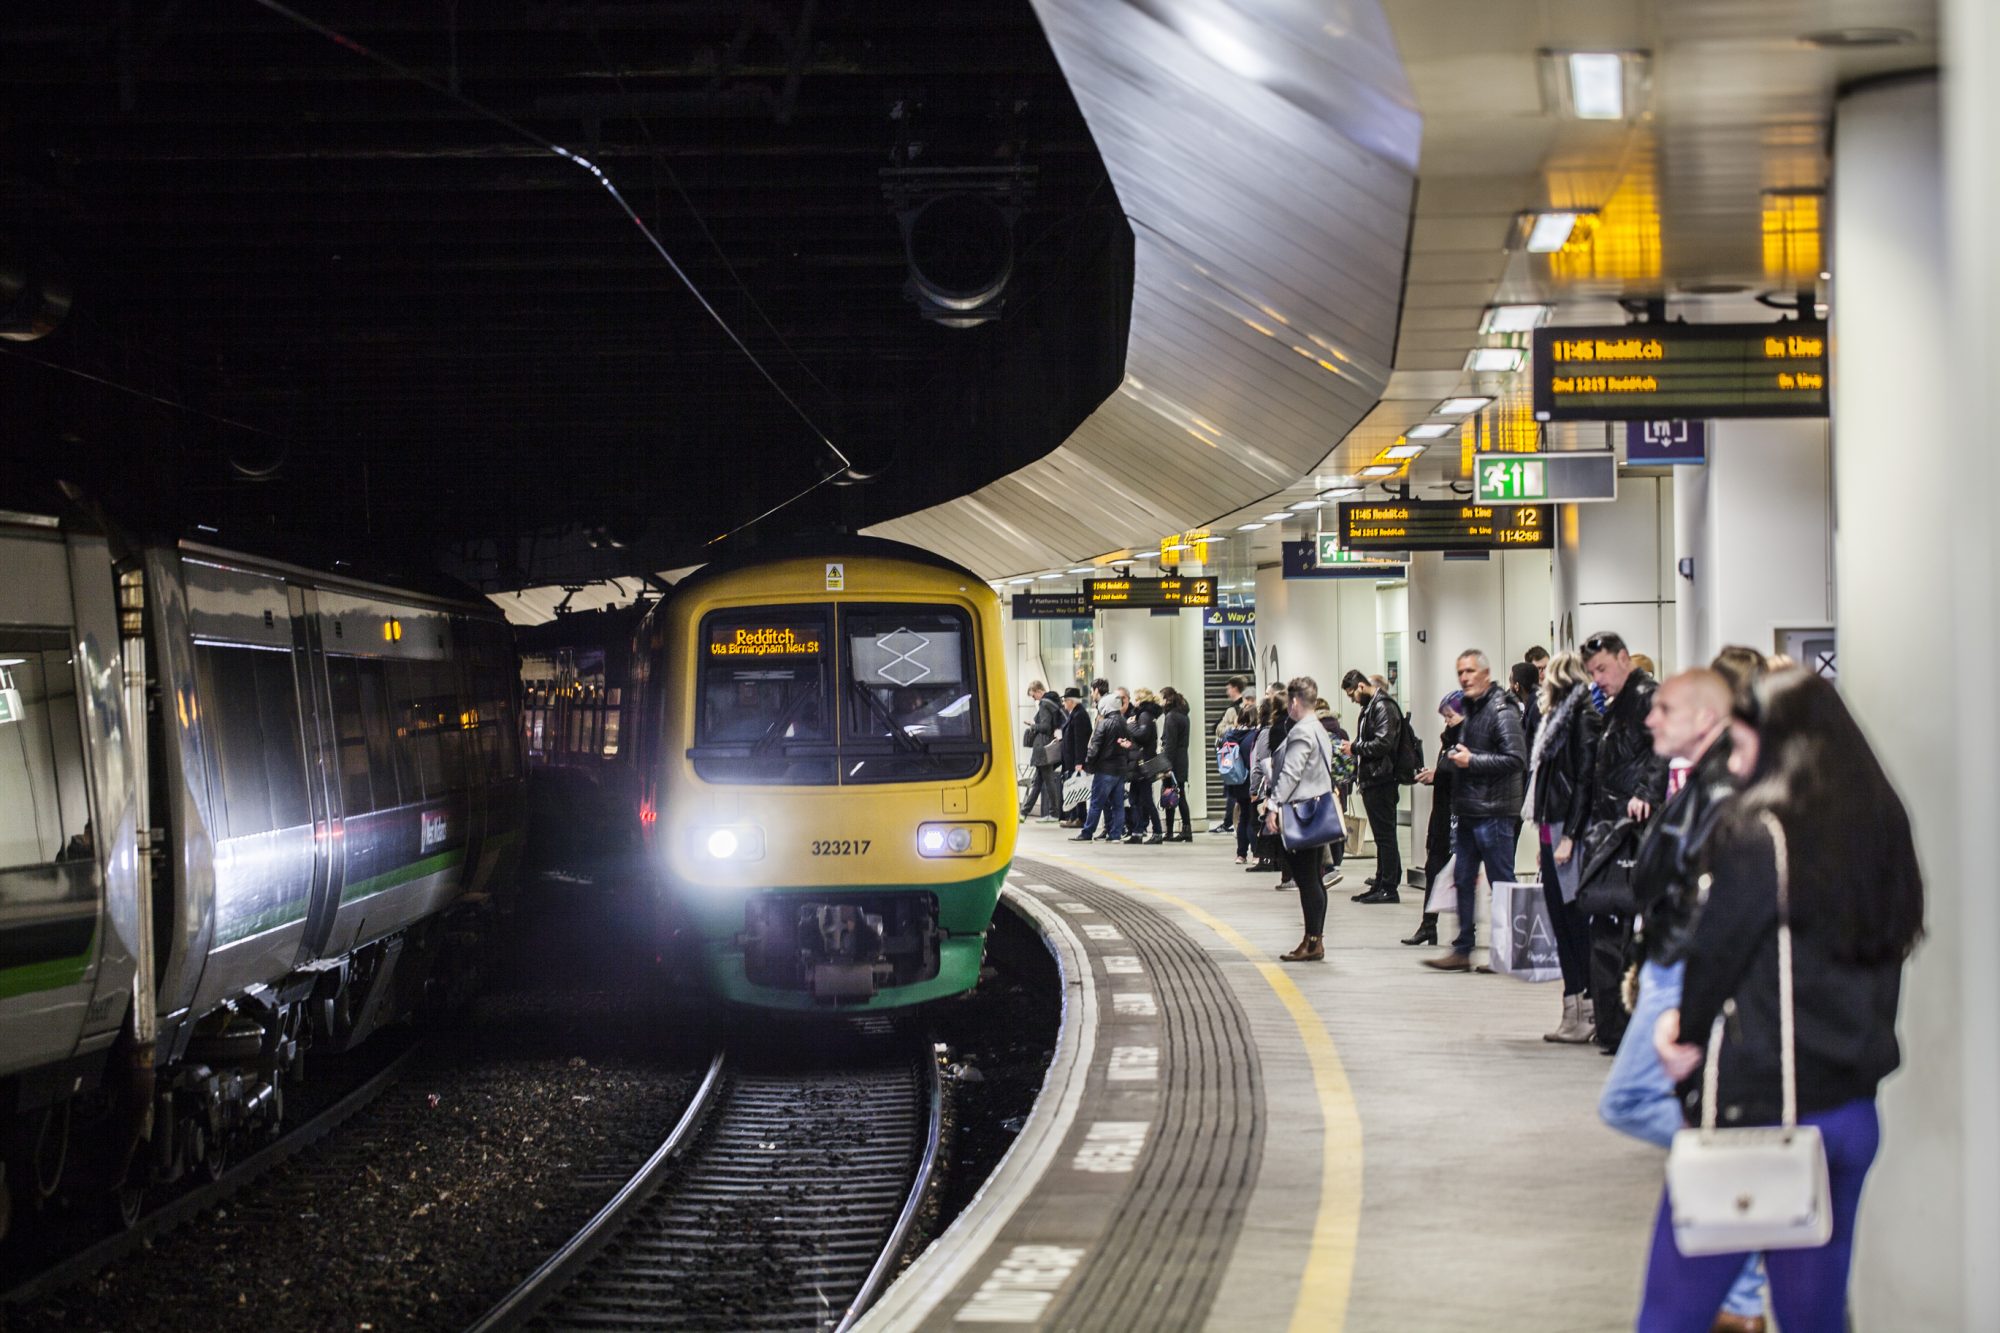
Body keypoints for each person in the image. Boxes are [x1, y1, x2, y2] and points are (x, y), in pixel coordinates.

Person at [1639, 670, 1923, 1333]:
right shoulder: (1882, 829)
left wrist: (1682, 1033)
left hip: (1762, 1116)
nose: (1734, 765)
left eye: (1740, 747)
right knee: (1814, 1317)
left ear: (1779, 744)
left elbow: (1715, 955)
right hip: (1851, 1110)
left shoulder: (1759, 835)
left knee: (1670, 1313)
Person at [1598, 665, 1768, 1331]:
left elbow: (1713, 895)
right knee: (1682, 1114)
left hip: (1687, 971)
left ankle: (1748, 1211)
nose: (1649, 718)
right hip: (1672, 963)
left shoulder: (1723, 789)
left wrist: (1682, 978)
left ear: (1704, 718)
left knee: (1633, 1099)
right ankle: (1747, 1288)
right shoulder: (1701, 782)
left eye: (1664, 708)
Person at [1579, 630, 1669, 1051]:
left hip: (1631, 831)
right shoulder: (1618, 703)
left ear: (1623, 658)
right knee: (1606, 924)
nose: (1597, 678)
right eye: (1591, 672)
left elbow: (1662, 748)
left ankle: (1621, 1024)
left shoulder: (1646, 696)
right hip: (1612, 827)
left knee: (1618, 924)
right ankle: (1613, 1023)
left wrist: (1647, 794)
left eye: (1602, 669)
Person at [1424, 649, 1527, 972]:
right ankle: (1463, 948)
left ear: (1486, 673)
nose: (1465, 678)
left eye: (1470, 671)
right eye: (1460, 673)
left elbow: (1515, 759)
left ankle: (1505, 952)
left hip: (1495, 813)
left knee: (1502, 885)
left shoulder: (1501, 710)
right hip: (1470, 810)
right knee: (1464, 879)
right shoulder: (1472, 709)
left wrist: (1473, 761)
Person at [1527, 650, 1601, 1042]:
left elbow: (1584, 780)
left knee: (1573, 924)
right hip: (1551, 830)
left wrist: (1570, 835)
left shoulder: (1581, 719)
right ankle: (1572, 1009)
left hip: (1567, 833)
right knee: (1560, 921)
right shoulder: (1555, 720)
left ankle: (1585, 1010)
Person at [1264, 676, 1338, 962]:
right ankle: (1313, 939)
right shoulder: (1318, 728)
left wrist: (1273, 806)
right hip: (1316, 809)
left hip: (1301, 812)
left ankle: (1313, 941)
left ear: (1294, 702)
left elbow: (1291, 774)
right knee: (1314, 880)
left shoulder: (1301, 732)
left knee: (1307, 879)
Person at [1340, 668, 1407, 904]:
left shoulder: (1382, 706)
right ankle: (1381, 883)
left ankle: (1389, 886)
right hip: (1374, 779)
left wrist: (1355, 748)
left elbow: (1383, 742)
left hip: (1382, 779)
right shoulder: (1372, 707)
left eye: (1352, 694)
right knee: (1382, 835)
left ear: (1360, 686)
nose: (1351, 699)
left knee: (1385, 835)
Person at [1403, 691, 1463, 947]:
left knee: (1460, 874)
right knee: (1433, 868)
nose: (1446, 721)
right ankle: (1428, 926)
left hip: (1458, 815)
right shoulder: (1449, 739)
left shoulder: (1471, 737)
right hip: (1442, 814)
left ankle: (1465, 931)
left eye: (1450, 716)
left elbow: (1463, 769)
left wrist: (1438, 773)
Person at [1075, 696, 1131, 841]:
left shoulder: (1104, 723)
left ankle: (1087, 832)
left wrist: (1088, 763)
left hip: (1105, 769)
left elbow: (1095, 747)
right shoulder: (1124, 722)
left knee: (1096, 803)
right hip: (1120, 769)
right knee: (1118, 804)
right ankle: (1115, 834)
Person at [1211, 675, 1254, 832]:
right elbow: (1219, 729)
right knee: (1239, 798)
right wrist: (1233, 727)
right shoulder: (1233, 711)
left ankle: (1232, 824)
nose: (1249, 702)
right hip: (1236, 759)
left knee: (1244, 805)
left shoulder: (1254, 713)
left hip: (1246, 761)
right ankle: (1231, 823)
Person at [1123, 689, 1165, 845]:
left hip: (1143, 763)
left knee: (1146, 799)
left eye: (1135, 698)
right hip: (1139, 763)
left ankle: (1157, 832)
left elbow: (1142, 735)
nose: (1134, 701)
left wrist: (1130, 726)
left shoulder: (1144, 716)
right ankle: (1137, 831)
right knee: (1135, 798)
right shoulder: (1144, 715)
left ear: (1141, 699)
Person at [1020, 681, 1066, 821]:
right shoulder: (1054, 702)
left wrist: (1033, 725)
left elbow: (1045, 726)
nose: (1034, 699)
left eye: (1034, 696)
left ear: (1038, 691)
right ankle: (1024, 813)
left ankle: (1053, 813)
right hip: (1049, 745)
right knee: (1038, 781)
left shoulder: (1044, 704)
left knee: (1047, 780)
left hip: (1043, 747)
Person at [1158, 686, 1193, 842]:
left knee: (1169, 795)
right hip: (1182, 760)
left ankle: (1170, 832)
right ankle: (1186, 830)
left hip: (1173, 761)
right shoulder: (1183, 715)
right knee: (1180, 795)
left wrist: (1166, 765)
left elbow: (1170, 743)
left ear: (1167, 699)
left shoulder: (1171, 717)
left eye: (1161, 698)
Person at [1058, 687, 1091, 826]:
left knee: (1077, 787)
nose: (1064, 704)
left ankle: (1080, 817)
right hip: (1070, 759)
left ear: (1071, 701)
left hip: (1075, 760)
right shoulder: (1074, 714)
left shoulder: (1079, 715)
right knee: (1072, 787)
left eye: (1065, 701)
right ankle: (1073, 816)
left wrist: (1079, 761)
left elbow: (1080, 740)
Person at [1510, 660, 1543, 751]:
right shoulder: (1535, 702)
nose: (1510, 686)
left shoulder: (1537, 707)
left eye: (1511, 681)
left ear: (1517, 686)